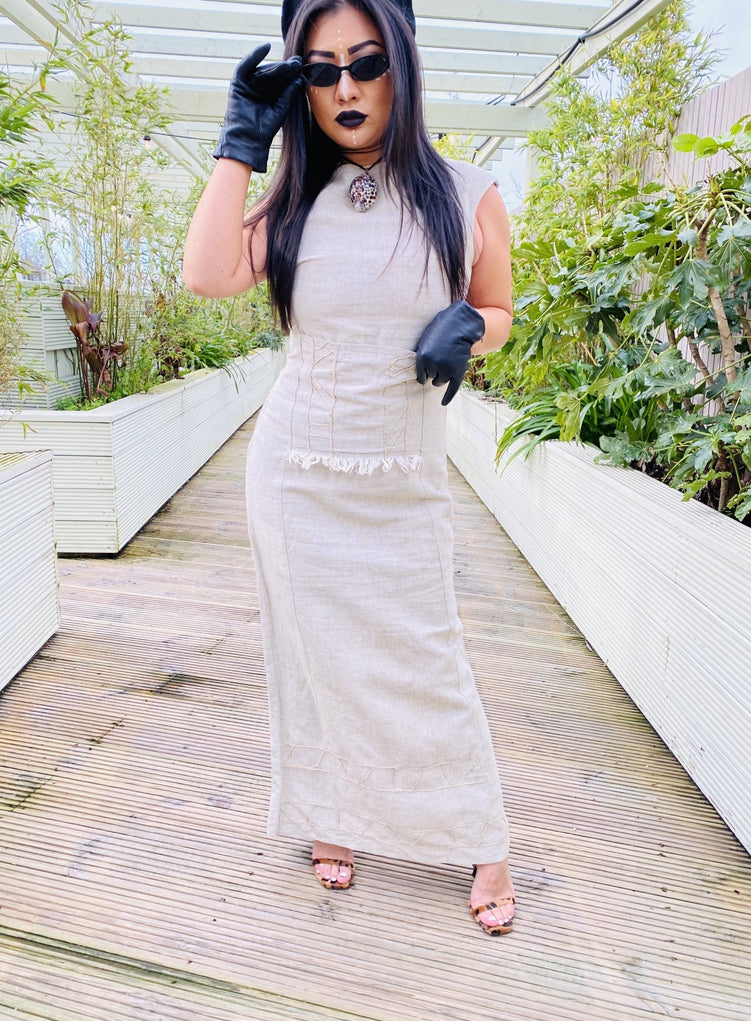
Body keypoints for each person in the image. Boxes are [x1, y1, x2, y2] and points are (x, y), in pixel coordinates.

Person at [183, 0, 516, 936]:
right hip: (295, 472)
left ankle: (482, 835)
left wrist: (471, 327)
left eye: (366, 63)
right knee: (312, 656)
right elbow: (207, 275)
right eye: (322, 71)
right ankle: (333, 813)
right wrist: (240, 144)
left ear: (401, 66)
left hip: (404, 475)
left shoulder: (465, 192)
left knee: (429, 657)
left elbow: (499, 308)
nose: (346, 88)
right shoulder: (293, 203)